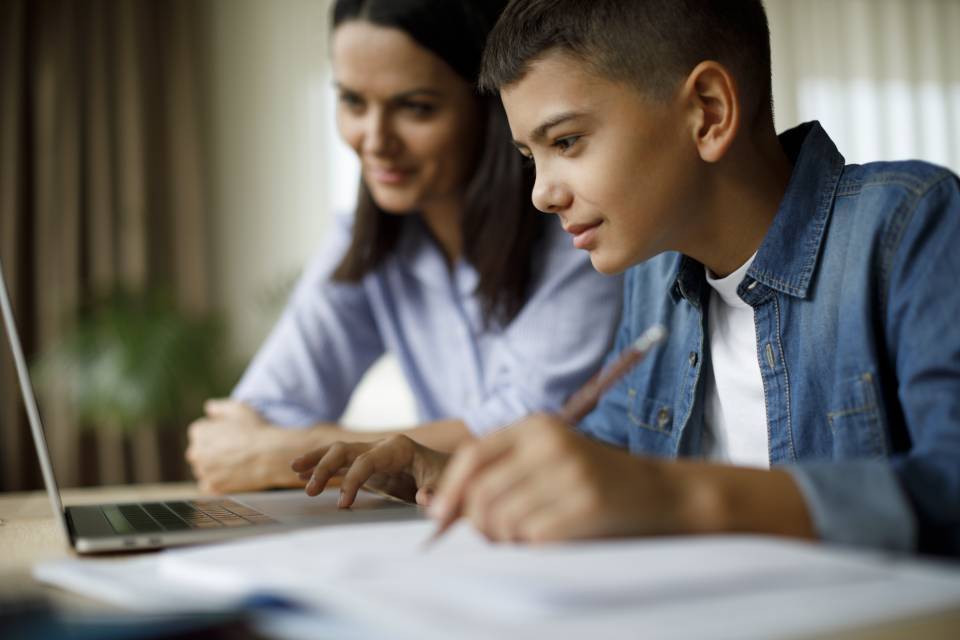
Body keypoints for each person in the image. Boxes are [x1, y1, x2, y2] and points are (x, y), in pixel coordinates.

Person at [293, 0, 960, 556]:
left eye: (566, 142)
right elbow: (601, 457)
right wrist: (447, 470)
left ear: (707, 111)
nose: (541, 194)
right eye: (530, 156)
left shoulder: (909, 226)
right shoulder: (655, 280)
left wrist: (678, 496)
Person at [185, 0, 622, 495]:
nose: (375, 140)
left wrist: (283, 453)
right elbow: (257, 418)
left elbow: (520, 432)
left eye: (415, 108)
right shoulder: (367, 241)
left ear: (491, 107)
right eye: (352, 102)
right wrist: (260, 444)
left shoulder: (579, 232)